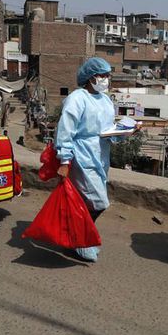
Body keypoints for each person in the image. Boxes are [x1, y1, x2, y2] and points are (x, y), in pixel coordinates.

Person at [55, 57, 134, 262]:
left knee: (85, 201)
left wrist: (125, 132)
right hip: (82, 155)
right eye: (102, 75)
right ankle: (79, 240)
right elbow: (66, 131)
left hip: (100, 155)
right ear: (90, 77)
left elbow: (106, 129)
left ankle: (76, 235)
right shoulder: (77, 98)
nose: (106, 80)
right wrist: (65, 160)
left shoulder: (105, 99)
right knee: (99, 202)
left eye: (108, 76)